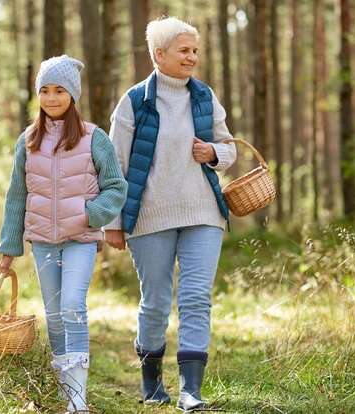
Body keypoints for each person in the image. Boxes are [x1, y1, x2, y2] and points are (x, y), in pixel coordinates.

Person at [104, 17, 237, 412]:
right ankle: (151, 384)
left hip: (203, 212)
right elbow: (115, 165)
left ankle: (190, 391)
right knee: (157, 301)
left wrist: (213, 154)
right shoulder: (133, 102)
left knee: (196, 298)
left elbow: (229, 147)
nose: (192, 57)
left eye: (195, 50)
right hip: (149, 216)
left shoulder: (204, 96)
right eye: (184, 50)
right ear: (158, 54)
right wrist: (113, 223)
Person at [0, 55, 127, 413]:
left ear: (72, 94)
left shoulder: (93, 137)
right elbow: (16, 196)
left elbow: (116, 187)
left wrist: (90, 214)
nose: (51, 98)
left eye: (59, 90)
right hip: (42, 242)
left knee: (72, 306)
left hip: (80, 240)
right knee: (53, 315)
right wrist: (8, 247)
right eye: (44, 90)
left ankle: (79, 400)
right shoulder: (28, 140)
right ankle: (68, 394)